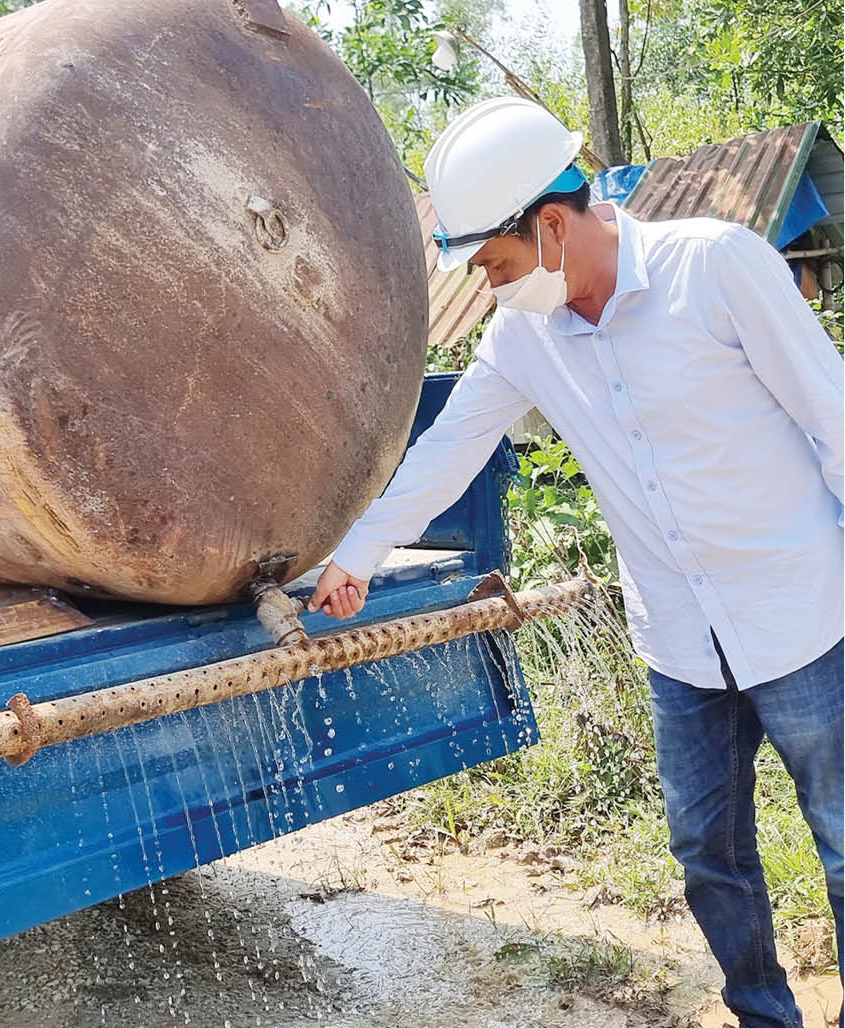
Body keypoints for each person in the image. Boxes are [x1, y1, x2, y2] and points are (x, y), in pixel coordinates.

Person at [308, 96, 843, 1028]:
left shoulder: (715, 268)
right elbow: (448, 449)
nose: (494, 287)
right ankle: (765, 1015)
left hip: (801, 618)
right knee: (706, 852)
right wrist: (354, 550)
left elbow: (833, 420)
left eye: (500, 265)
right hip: (681, 644)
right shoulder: (525, 337)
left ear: (552, 224)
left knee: (842, 842)